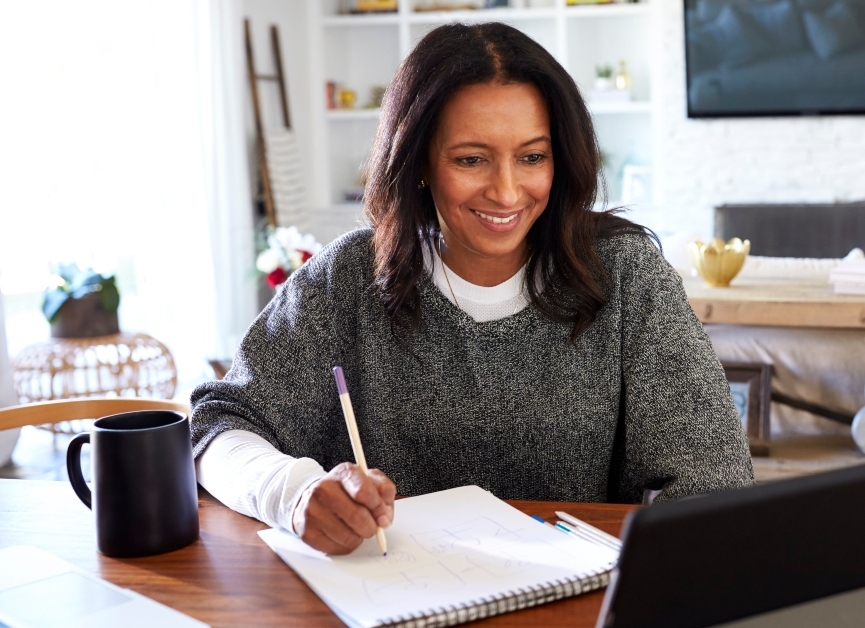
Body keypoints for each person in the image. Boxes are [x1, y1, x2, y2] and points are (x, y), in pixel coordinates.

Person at [190, 22, 753, 555]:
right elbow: (218, 424)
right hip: (391, 594)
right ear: (419, 162)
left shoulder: (626, 275)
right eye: (471, 160)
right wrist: (292, 494)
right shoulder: (349, 277)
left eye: (532, 157)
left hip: (577, 598)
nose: (506, 192)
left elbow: (715, 481)